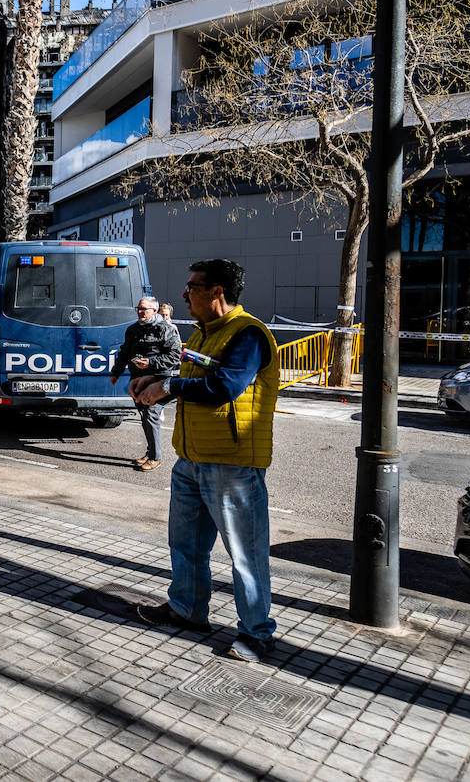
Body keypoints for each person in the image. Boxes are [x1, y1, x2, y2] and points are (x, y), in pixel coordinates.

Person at [129, 258, 280, 663]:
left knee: (245, 554)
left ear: (217, 292)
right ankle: (187, 610)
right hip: (191, 458)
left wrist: (168, 385)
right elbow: (189, 380)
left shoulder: (248, 334)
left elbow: (226, 386)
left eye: (193, 287)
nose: (184, 294)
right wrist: (156, 383)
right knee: (186, 545)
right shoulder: (202, 333)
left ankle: (256, 632)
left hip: (232, 464)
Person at [110, 296, 182, 471]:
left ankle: (155, 457)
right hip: (138, 380)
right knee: (145, 417)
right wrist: (116, 372)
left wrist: (150, 363)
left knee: (151, 414)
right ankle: (150, 452)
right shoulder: (132, 329)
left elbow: (174, 356)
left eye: (144, 309)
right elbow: (124, 353)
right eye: (139, 308)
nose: (140, 312)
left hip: (159, 381)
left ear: (154, 311)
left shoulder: (166, 329)